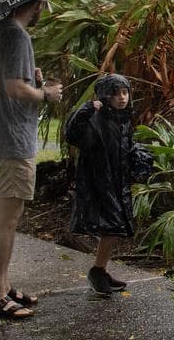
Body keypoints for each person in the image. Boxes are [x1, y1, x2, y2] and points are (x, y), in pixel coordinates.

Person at [0, 0, 61, 320]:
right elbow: (14, 89)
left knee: (8, 216)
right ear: (36, 4)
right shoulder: (18, 34)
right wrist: (46, 93)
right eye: (45, 5)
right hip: (12, 139)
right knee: (6, 219)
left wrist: (26, 74)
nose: (44, 11)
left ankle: (5, 285)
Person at [64, 73, 143, 295]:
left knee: (115, 228)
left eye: (125, 92)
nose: (122, 98)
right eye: (116, 93)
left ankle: (100, 269)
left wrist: (138, 158)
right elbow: (72, 133)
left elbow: (124, 148)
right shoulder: (96, 120)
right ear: (106, 95)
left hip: (118, 182)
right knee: (113, 226)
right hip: (99, 183)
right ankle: (97, 270)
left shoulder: (123, 119)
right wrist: (87, 109)